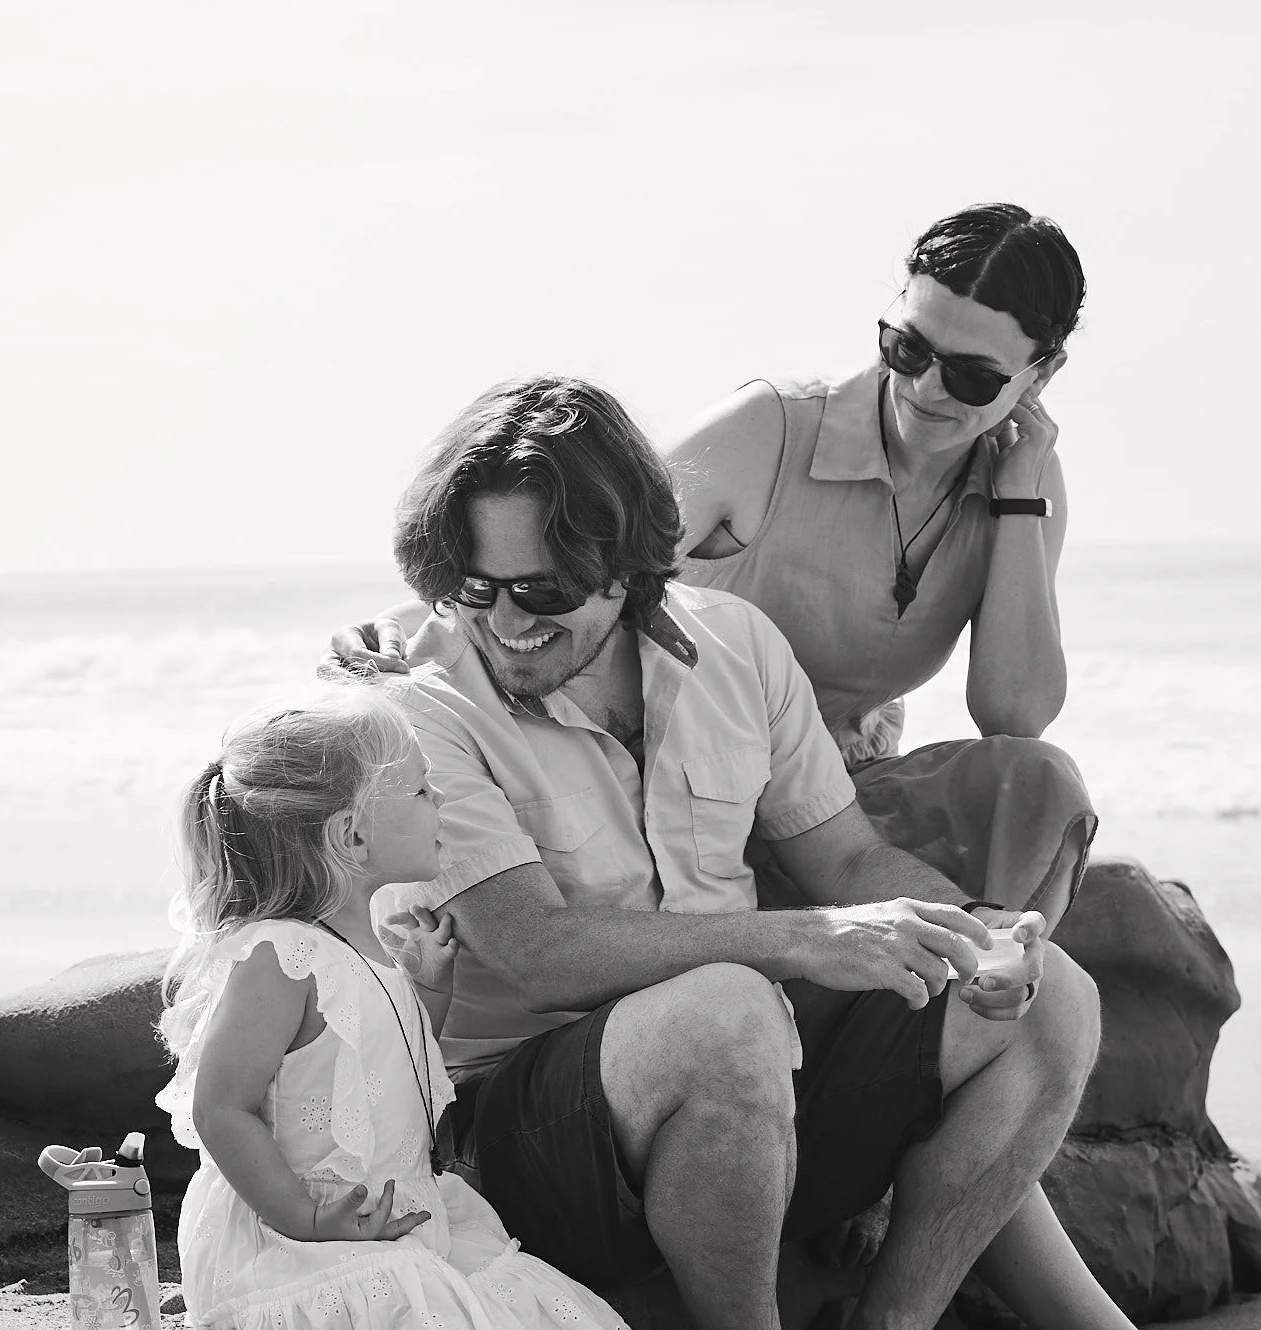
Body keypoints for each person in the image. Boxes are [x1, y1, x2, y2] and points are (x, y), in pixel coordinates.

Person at [347, 376, 1251, 1330]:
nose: (508, 622)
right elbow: (533, 947)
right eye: (476, 587)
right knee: (727, 1000)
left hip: (745, 1100)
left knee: (1050, 992)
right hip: (516, 1129)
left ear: (631, 566)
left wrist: (976, 934)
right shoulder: (419, 702)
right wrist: (807, 939)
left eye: (545, 589)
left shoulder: (737, 649)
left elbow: (852, 863)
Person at [155, 688, 835, 1330]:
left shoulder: (373, 959)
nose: (443, 808)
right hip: (286, 1241)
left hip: (392, 1214)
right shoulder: (277, 957)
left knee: (522, 1287)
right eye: (423, 793)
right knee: (410, 1294)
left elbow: (377, 1077)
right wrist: (306, 1215)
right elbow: (223, 1109)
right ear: (354, 838)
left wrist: (427, 991)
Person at [331, 202, 1093, 931]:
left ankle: (989, 980)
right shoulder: (768, 429)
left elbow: (1014, 715)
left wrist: (1020, 497)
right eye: (907, 348)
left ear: (1041, 372)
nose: (924, 388)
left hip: (834, 801)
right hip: (693, 784)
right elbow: (564, 558)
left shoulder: (1017, 485)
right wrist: (406, 628)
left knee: (1040, 784)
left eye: (972, 377)